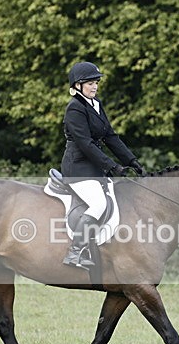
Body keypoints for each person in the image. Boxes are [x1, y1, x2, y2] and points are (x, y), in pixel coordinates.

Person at [60, 61, 143, 268]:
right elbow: (86, 144)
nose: (94, 86)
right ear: (77, 86)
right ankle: (75, 251)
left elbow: (110, 137)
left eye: (96, 82)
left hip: (94, 167)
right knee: (99, 203)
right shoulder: (75, 108)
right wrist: (112, 166)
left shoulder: (96, 104)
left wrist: (132, 161)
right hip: (78, 168)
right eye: (90, 83)